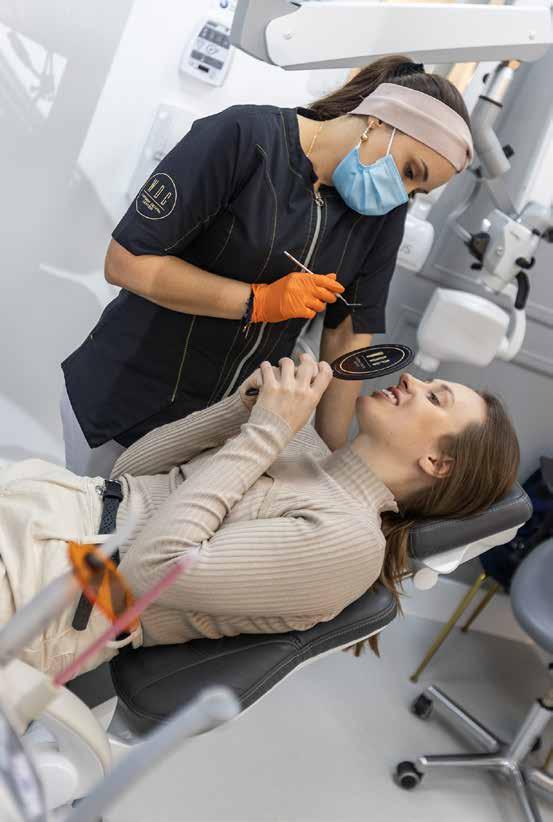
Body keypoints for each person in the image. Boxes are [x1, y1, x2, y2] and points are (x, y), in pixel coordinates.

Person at [60, 55, 474, 477]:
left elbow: (347, 334)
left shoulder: (382, 214)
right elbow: (127, 263)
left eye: (416, 190)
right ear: (379, 119)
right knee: (92, 517)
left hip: (221, 438)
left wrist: (333, 461)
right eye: (409, 170)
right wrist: (257, 301)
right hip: (129, 403)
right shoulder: (243, 138)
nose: (401, 194)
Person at [1, 354, 519, 678]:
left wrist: (265, 433)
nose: (410, 378)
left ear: (438, 463)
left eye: (434, 397)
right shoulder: (301, 439)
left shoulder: (350, 543)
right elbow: (129, 476)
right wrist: (240, 409)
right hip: (53, 508)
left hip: (60, 589)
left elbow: (149, 572)